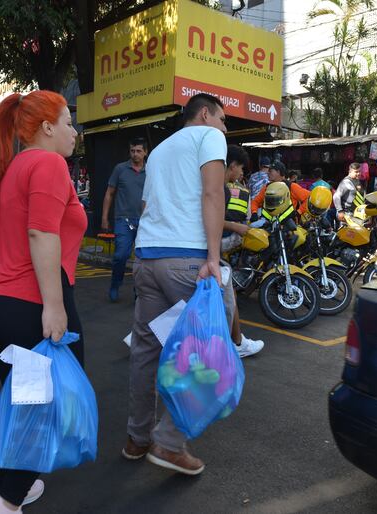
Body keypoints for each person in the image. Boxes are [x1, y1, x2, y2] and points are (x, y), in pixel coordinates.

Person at [0, 91, 85, 514]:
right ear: (48, 127)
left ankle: (16, 486)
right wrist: (54, 307)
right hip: (26, 303)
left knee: (27, 402)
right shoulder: (48, 162)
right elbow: (42, 233)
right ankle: (6, 502)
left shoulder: (18, 164)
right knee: (45, 407)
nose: (74, 131)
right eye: (68, 121)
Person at [124, 93, 233, 475]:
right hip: (187, 261)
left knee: (145, 351)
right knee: (207, 352)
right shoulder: (209, 137)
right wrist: (213, 257)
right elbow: (212, 192)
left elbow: (146, 206)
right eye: (222, 119)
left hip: (148, 260)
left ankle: (137, 438)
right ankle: (169, 443)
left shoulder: (159, 151)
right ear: (205, 114)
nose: (225, 127)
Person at [222, 145, 264, 358]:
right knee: (227, 293)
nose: (241, 174)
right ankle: (237, 343)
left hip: (207, 252)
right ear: (233, 165)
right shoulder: (219, 188)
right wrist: (236, 227)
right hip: (206, 251)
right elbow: (208, 220)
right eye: (241, 169)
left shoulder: (221, 187)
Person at [101, 137, 147, 302]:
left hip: (144, 222)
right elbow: (109, 193)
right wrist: (104, 218)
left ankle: (138, 291)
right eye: (132, 151)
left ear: (145, 153)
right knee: (121, 255)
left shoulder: (150, 171)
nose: (135, 154)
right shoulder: (120, 169)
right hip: (123, 220)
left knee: (143, 259)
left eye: (139, 151)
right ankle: (115, 283)